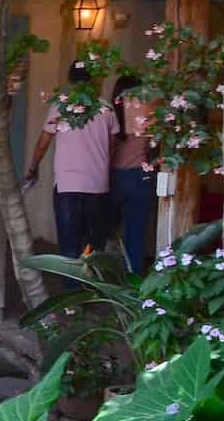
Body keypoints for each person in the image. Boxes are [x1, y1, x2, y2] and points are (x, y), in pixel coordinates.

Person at [25, 63, 117, 260]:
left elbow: (43, 143)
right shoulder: (106, 108)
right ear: (93, 81)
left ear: (70, 81)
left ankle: (72, 288)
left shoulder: (61, 106)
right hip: (98, 185)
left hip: (67, 186)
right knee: (93, 247)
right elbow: (112, 147)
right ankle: (91, 289)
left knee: (68, 246)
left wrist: (33, 167)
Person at [108, 74, 157, 272]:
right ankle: (133, 281)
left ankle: (100, 276)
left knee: (102, 231)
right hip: (139, 176)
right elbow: (155, 144)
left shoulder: (111, 110)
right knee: (135, 236)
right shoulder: (148, 110)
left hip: (112, 177)